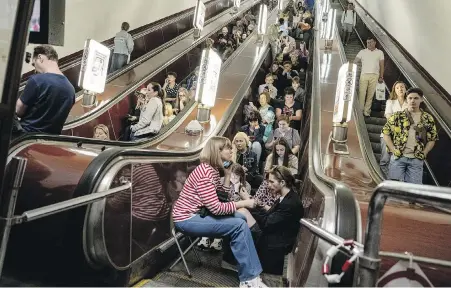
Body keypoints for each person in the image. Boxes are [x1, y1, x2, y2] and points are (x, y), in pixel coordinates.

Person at [172, 137, 267, 288]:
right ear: (217, 152)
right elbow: (217, 208)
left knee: (241, 218)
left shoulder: (213, 170)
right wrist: (244, 202)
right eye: (227, 148)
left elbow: (223, 198)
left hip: (199, 214)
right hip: (186, 218)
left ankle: (245, 269)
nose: (232, 150)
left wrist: (228, 175)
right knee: (239, 225)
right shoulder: (205, 173)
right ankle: (249, 280)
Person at [236, 166, 303, 275]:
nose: (268, 185)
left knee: (242, 213)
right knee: (243, 212)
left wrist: (249, 202)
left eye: (272, 182)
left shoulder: (290, 204)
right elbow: (270, 215)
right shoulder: (287, 197)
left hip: (274, 248)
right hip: (273, 238)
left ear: (282, 183)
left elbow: (267, 223)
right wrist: (252, 203)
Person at [15, 45, 75, 136]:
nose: (35, 70)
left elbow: (18, 111)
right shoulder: (71, 89)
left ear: (40, 57)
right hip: (50, 142)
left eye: (34, 64)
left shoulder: (37, 80)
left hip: (26, 139)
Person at [382, 88, 438, 184]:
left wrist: (425, 152)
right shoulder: (398, 116)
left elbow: (432, 138)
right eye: (410, 98)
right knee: (394, 188)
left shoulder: (427, 118)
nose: (412, 101)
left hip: (416, 159)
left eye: (416, 98)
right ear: (406, 99)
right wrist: (392, 149)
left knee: (413, 190)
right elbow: (385, 133)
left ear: (421, 100)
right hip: (398, 157)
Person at [197, 163, 252, 251]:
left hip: (234, 210)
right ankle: (206, 238)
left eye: (236, 177)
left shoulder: (246, 186)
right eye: (232, 176)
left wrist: (237, 190)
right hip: (220, 207)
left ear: (241, 177)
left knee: (224, 216)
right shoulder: (222, 180)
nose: (233, 179)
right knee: (213, 210)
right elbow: (218, 198)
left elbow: (240, 203)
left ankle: (217, 240)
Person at [379, 81, 408, 176]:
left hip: (403, 137)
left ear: (405, 89)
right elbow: (388, 116)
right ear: (394, 91)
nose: (400, 89)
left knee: (396, 160)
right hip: (388, 134)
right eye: (398, 87)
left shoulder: (409, 103)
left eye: (402, 87)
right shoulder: (390, 102)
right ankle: (385, 179)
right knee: (385, 160)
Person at [354, 36, 384, 117]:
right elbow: (355, 61)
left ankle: (367, 112)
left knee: (370, 95)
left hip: (375, 76)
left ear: (375, 43)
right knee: (362, 93)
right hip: (364, 75)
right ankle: (360, 111)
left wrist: (381, 76)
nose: (369, 44)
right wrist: (351, 68)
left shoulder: (380, 52)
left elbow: (382, 65)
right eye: (368, 42)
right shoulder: (362, 52)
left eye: (371, 42)